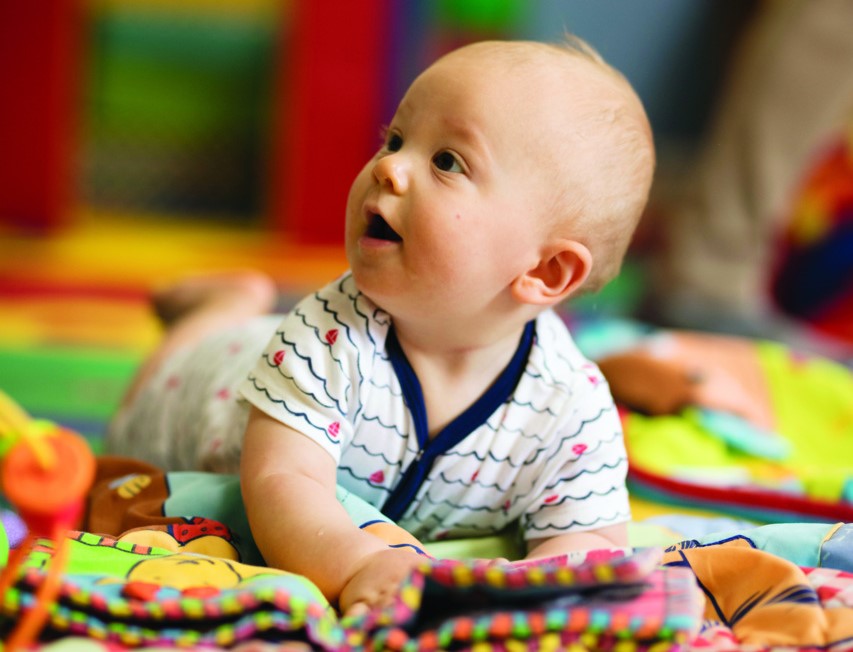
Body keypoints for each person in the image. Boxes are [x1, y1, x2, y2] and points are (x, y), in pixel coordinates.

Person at [107, 38, 655, 615]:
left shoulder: (570, 406)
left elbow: (590, 543)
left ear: (546, 270)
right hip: (209, 390)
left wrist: (522, 599)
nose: (389, 167)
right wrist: (358, 564)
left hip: (275, 357)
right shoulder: (325, 335)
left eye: (447, 161)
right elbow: (282, 484)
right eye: (395, 139)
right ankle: (211, 311)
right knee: (154, 388)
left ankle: (236, 303)